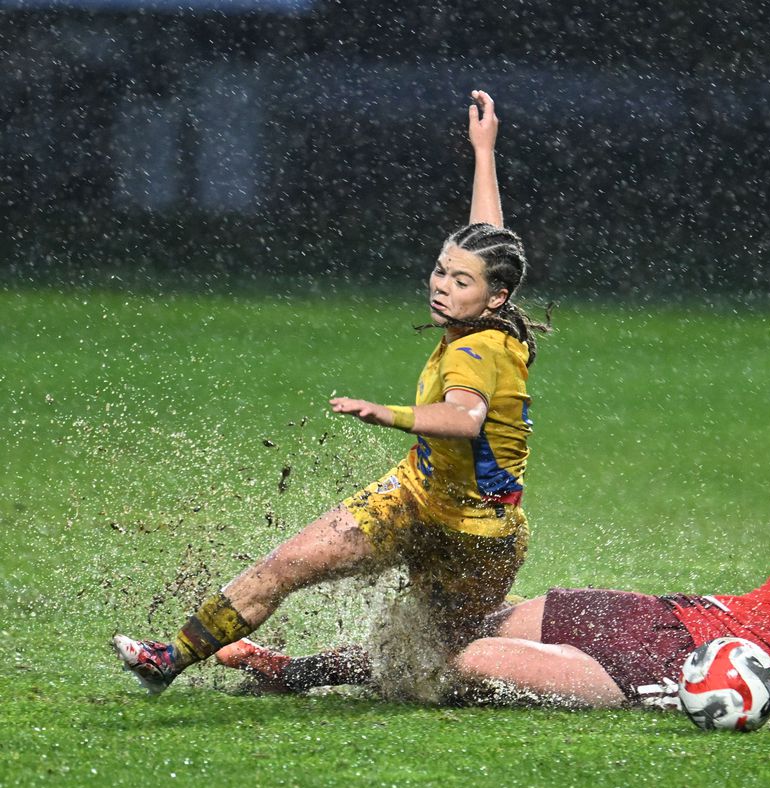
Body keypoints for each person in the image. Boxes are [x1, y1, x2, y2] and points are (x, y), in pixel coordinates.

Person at [113, 91, 549, 701]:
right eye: (440, 271)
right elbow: (487, 240)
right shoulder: (489, 319)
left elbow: (464, 418)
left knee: (422, 672)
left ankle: (296, 673)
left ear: (495, 296)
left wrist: (387, 413)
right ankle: (170, 657)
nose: (442, 286)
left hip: (479, 535)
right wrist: (484, 152)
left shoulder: (478, 351)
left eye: (460, 280)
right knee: (287, 564)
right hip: (415, 493)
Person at [218, 525, 770, 720]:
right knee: (450, 633)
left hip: (670, 673)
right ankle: (292, 668)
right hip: (651, 617)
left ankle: (294, 671)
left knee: (472, 664)